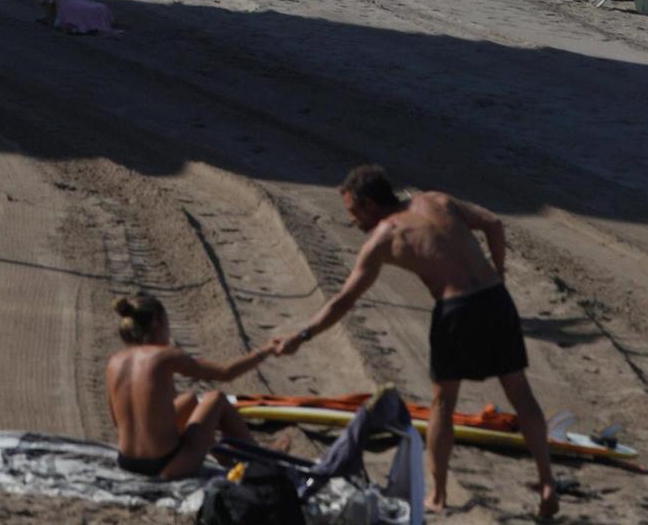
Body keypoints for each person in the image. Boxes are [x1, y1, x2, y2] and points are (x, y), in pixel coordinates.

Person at [273, 166, 558, 519]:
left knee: (443, 403)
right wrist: (498, 273)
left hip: (456, 309)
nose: (351, 220)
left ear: (370, 205)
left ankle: (437, 495)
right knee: (520, 392)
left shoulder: (385, 236)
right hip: (496, 300)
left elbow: (343, 301)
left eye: (352, 210)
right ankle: (546, 480)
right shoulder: (435, 199)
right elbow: (494, 224)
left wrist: (302, 336)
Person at [106, 292, 277, 480]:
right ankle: (262, 462)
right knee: (216, 399)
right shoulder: (165, 355)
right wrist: (266, 351)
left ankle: (225, 458)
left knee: (188, 400)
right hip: (166, 464)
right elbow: (226, 373)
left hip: (127, 461)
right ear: (157, 322)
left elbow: (117, 422)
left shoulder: (115, 361)